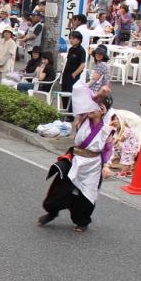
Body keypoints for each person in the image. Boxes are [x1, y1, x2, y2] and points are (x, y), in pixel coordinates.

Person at [39, 84, 115, 233]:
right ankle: (52, 212)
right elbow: (85, 100)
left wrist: (107, 166)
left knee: (86, 196)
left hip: (93, 165)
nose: (91, 108)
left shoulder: (107, 130)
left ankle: (82, 221)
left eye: (96, 106)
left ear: (103, 110)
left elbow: (108, 150)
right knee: (60, 191)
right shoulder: (83, 118)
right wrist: (99, 93)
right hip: (75, 160)